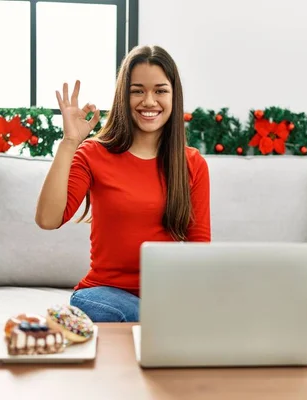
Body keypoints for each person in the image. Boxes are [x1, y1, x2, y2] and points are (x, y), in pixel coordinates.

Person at [35, 45, 211, 323]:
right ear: (123, 96)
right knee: (107, 308)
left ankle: (158, 325)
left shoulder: (192, 164)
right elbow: (47, 218)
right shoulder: (93, 153)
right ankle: (158, 325)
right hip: (103, 296)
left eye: (160, 91)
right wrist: (70, 142)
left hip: (165, 295)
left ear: (174, 96)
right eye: (137, 90)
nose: (149, 101)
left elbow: (199, 251)